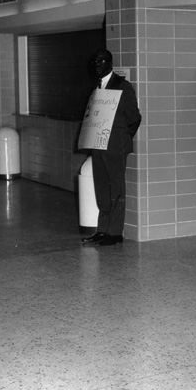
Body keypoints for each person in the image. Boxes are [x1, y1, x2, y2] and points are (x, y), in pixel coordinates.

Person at [81, 49, 141, 247]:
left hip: (115, 147)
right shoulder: (96, 89)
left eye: (102, 61)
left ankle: (115, 232)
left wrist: (121, 139)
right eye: (95, 62)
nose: (98, 65)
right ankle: (103, 229)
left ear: (110, 63)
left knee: (116, 189)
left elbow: (134, 118)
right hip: (98, 146)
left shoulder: (123, 86)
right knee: (102, 189)